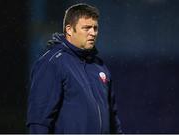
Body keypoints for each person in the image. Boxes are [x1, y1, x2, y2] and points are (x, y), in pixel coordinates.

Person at [26, 3, 122, 134]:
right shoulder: (52, 63)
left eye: (95, 28)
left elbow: (113, 121)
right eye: (86, 28)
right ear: (69, 29)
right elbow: (39, 121)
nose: (93, 33)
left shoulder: (100, 66)